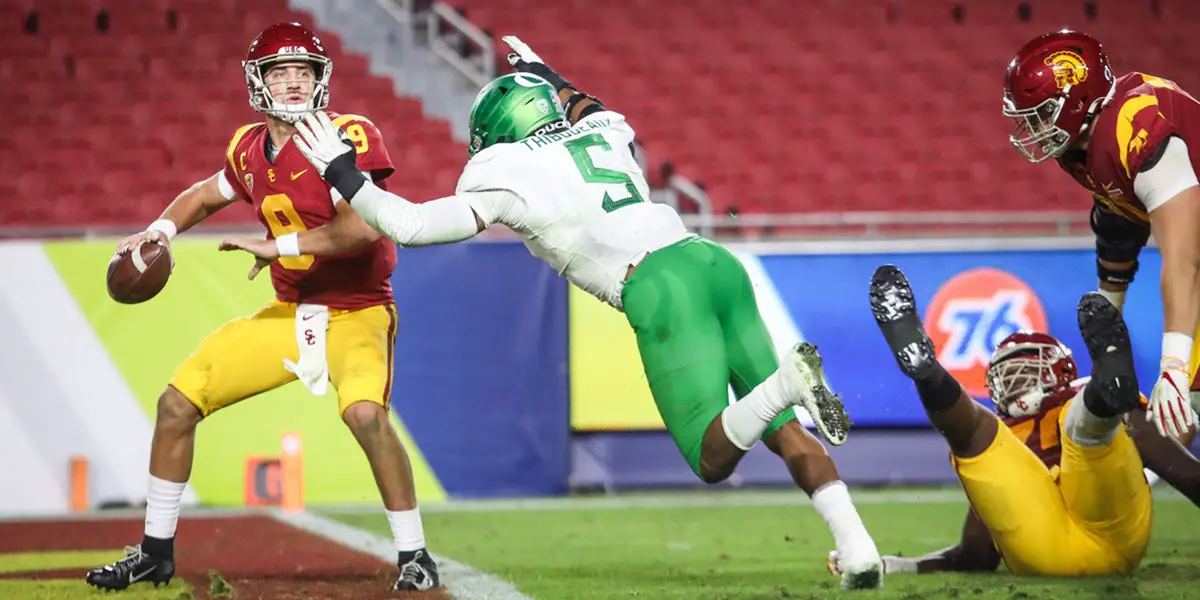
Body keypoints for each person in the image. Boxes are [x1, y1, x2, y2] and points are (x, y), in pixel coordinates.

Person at [221, 36, 885, 589]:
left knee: (713, 456)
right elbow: (583, 103)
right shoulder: (602, 130)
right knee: (781, 431)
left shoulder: (503, 171)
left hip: (657, 284)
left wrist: (344, 173)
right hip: (711, 261)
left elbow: (411, 227)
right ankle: (858, 551)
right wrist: (549, 74)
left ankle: (786, 384)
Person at [85, 22, 438, 593]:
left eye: (304, 71)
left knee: (365, 415)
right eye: (281, 72)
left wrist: (281, 246)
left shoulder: (346, 134)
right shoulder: (248, 147)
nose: (294, 82)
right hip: (289, 310)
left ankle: (415, 555)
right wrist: (159, 231)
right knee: (176, 404)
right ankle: (154, 551)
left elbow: (363, 228)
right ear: (258, 81)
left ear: (321, 79)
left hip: (357, 310)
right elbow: (205, 195)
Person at [855, 264, 1172, 576]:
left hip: (1077, 543)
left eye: (1022, 371)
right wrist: (896, 565)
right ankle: (926, 369)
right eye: (1005, 375)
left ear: (1060, 370)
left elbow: (1185, 473)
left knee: (1062, 422)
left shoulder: (1068, 402)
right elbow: (978, 551)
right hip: (1062, 547)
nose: (1012, 382)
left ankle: (1100, 398)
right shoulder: (1006, 435)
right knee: (986, 433)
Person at [1002, 28, 1200, 440]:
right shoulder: (1083, 144)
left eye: (1041, 113)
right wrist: (1107, 321)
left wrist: (1174, 368)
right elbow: (1117, 223)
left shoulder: (1137, 123)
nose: (1033, 127)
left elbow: (1185, 257)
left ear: (1077, 100)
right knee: (1177, 419)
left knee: (1183, 405)